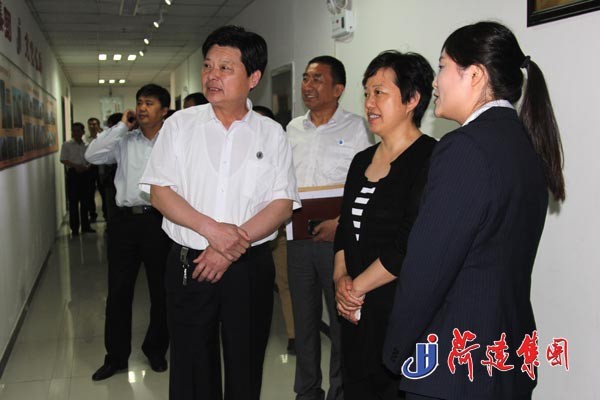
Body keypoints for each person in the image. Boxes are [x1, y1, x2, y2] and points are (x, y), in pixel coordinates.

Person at [382, 21, 565, 400]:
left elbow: (427, 268)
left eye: (443, 67)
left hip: (455, 366)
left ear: (476, 75)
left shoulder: (464, 148)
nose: (435, 83)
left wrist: (396, 350)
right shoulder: (525, 142)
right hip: (506, 356)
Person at [139, 26, 300, 400]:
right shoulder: (180, 125)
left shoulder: (272, 133)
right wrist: (213, 232)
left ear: (253, 78)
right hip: (190, 265)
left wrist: (229, 248)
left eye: (225, 67)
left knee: (246, 366)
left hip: (248, 268)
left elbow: (281, 203)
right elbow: (160, 192)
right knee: (192, 370)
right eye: (208, 65)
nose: (212, 75)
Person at [334, 51, 436, 400]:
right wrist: (341, 280)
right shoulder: (361, 160)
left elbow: (409, 242)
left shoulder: (431, 159)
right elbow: (345, 230)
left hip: (399, 309)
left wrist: (355, 289)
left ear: (412, 99)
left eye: (379, 92)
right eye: (366, 93)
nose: (369, 103)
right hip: (355, 310)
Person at [286, 55, 372, 400]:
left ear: (338, 89)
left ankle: (340, 391)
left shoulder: (357, 128)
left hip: (339, 240)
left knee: (340, 321)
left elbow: (367, 184)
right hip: (297, 240)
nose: (308, 86)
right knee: (304, 321)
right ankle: (307, 391)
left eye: (317, 79)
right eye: (306, 78)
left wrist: (341, 223)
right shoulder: (291, 129)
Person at [85, 84, 172, 381]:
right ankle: (116, 357)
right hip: (124, 223)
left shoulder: (173, 142)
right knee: (119, 291)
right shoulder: (124, 140)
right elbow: (92, 155)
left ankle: (156, 349)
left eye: (150, 103)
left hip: (159, 222)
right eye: (139, 103)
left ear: (164, 110)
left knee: (161, 290)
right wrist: (122, 126)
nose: (142, 108)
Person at [254, 104, 297, 355]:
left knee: (284, 281)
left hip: (278, 230)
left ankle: (293, 334)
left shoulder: (282, 153)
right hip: (245, 235)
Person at [60, 122, 94, 236]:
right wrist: (76, 166)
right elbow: (63, 159)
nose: (75, 133)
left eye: (78, 130)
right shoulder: (67, 145)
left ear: (83, 132)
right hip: (73, 174)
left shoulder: (87, 145)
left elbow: (91, 158)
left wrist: (87, 166)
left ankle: (85, 226)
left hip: (85, 173)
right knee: (73, 202)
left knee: (86, 201)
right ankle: (74, 228)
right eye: (73, 131)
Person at [87, 117, 105, 222]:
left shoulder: (103, 138)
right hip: (89, 169)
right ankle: (92, 215)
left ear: (98, 125)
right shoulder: (86, 139)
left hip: (102, 167)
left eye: (94, 124)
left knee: (103, 192)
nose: (92, 126)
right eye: (90, 124)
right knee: (90, 193)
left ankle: (106, 215)